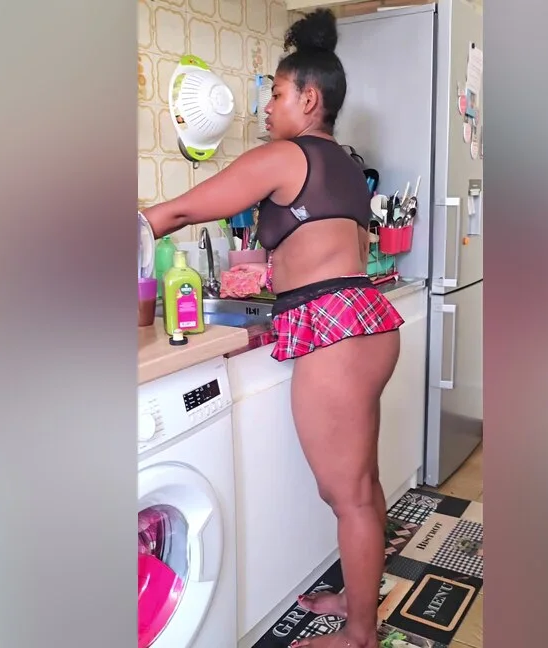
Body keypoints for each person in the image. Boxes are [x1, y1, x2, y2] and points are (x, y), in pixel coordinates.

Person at [141, 9, 400, 647]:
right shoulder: (342, 161)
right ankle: (358, 602)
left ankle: (359, 635)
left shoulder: (287, 154)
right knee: (362, 484)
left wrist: (135, 223)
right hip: (363, 319)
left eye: (276, 94)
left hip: (333, 330)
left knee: (348, 495)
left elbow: (183, 210)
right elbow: (320, 245)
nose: (267, 106)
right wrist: (268, 269)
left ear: (308, 99)